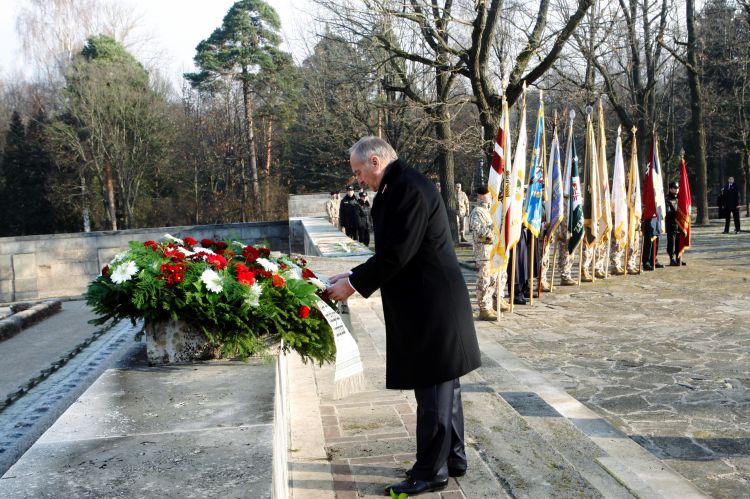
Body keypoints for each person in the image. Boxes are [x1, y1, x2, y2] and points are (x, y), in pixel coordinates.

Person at [326, 136, 481, 496]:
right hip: (430, 302)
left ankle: (431, 472)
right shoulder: (401, 184)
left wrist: (353, 284)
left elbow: (397, 254)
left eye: (359, 172)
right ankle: (453, 458)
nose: (358, 180)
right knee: (445, 387)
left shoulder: (407, 188)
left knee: (434, 392)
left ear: (375, 161)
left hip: (433, 305)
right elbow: (394, 250)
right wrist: (351, 274)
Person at [470, 187, 500, 320]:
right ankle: (483, 309)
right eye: (489, 194)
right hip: (483, 254)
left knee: (492, 281)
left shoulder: (489, 211)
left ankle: (489, 306)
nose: (491, 196)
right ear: (481, 196)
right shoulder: (477, 212)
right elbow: (479, 233)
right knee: (483, 281)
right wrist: (495, 228)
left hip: (492, 253)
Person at [665, 181, 681, 265]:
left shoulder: (680, 198)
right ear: (670, 189)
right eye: (675, 188)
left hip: (679, 224)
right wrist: (678, 212)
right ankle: (671, 259)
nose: (676, 189)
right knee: (671, 243)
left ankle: (678, 258)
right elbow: (667, 212)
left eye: (677, 188)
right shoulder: (667, 199)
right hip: (671, 224)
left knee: (679, 242)